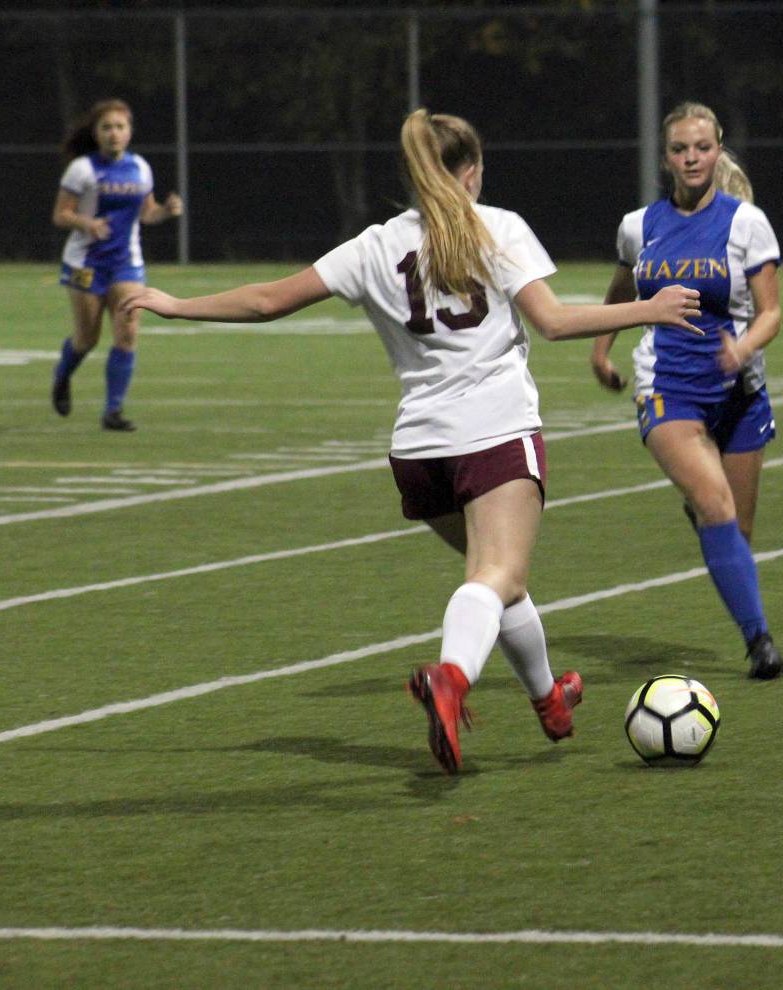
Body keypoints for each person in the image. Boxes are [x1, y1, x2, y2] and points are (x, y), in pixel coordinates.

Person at [122, 108, 702, 773]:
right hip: (495, 432)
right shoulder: (498, 227)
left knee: (498, 579)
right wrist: (650, 309)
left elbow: (265, 301)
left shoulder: (374, 245)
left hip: (419, 451)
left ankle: (551, 702)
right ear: (471, 172)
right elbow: (553, 320)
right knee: (495, 573)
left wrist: (174, 304)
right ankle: (451, 677)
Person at [590, 101, 783, 681]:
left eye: (702, 147)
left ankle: (707, 520)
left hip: (740, 393)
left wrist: (743, 349)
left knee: (736, 535)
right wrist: (600, 350)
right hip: (667, 389)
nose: (692, 157)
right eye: (680, 149)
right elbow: (623, 288)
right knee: (716, 505)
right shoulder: (639, 225)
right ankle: (761, 644)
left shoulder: (747, 222)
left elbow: (772, 312)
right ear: (666, 156)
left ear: (717, 148)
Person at [51, 98, 183, 432]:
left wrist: (166, 211)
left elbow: (147, 213)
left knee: (127, 333)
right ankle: (63, 375)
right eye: (106, 127)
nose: (114, 133)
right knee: (86, 339)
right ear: (95, 133)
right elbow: (61, 215)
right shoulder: (82, 169)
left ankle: (113, 411)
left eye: (120, 127)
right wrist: (87, 223)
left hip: (126, 264)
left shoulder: (140, 167)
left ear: (130, 131)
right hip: (85, 263)